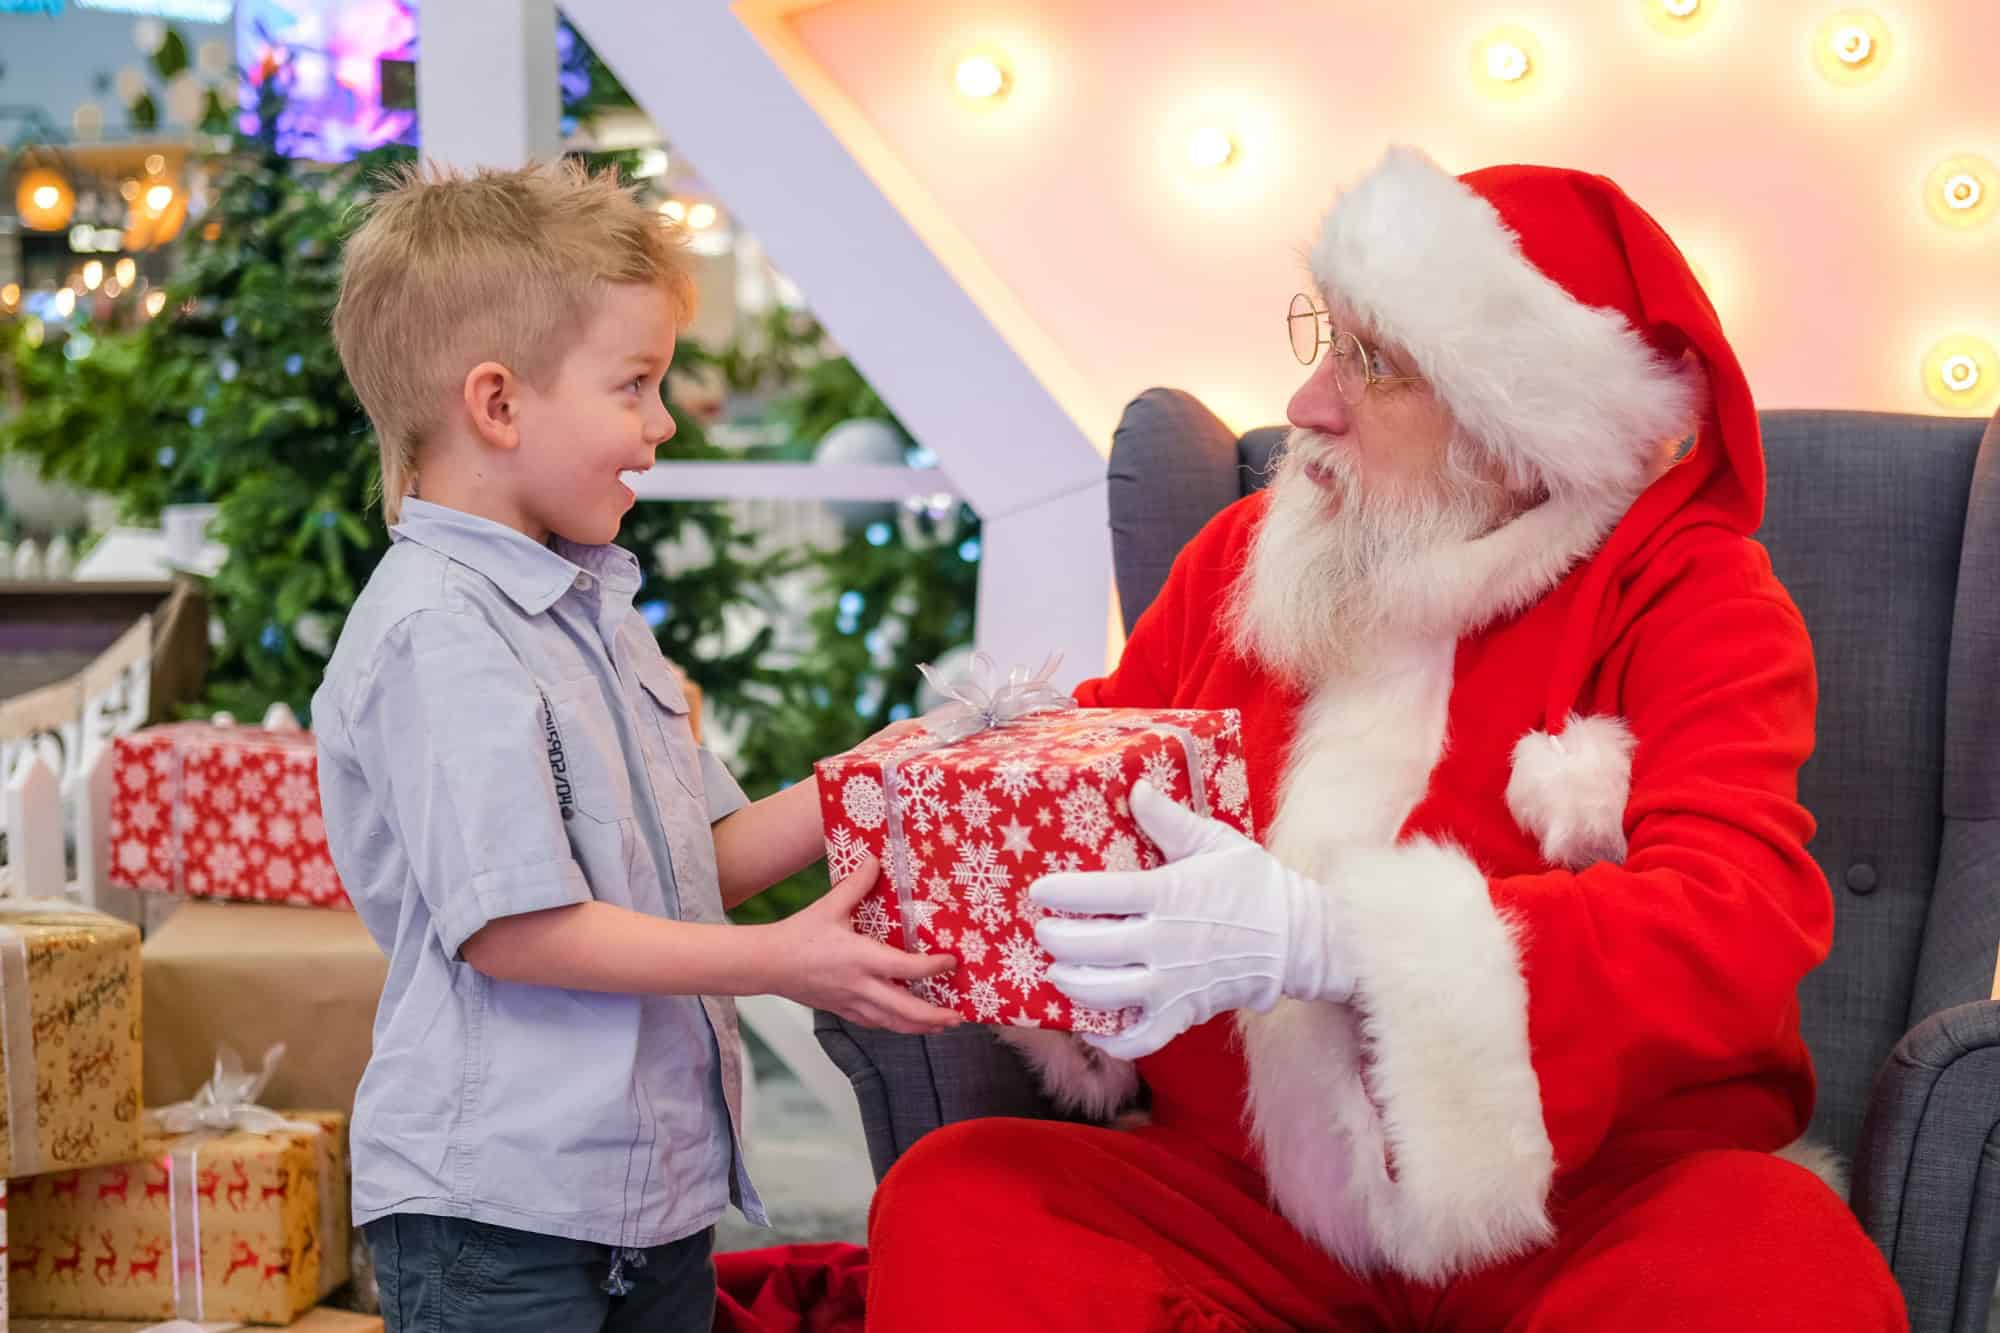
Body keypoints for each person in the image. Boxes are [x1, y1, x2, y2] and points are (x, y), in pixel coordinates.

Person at [865, 146, 1909, 1330]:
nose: (1307, 405)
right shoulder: (1249, 554)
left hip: (1584, 1197)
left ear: (1517, 429)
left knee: (1761, 1261)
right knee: (965, 1199)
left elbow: (1736, 922)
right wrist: (914, 859)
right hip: (1242, 1191)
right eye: (1325, 339)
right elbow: (1087, 767)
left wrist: (1332, 939)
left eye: (1377, 365)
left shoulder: (1693, 593)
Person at [312, 160, 958, 1333]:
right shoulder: (438, 634)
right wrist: (776, 962)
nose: (664, 424)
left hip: (644, 1197)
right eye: (635, 386)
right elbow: (515, 930)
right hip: (499, 1217)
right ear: (497, 404)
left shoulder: (595, 616)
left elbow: (689, 861)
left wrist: (884, 769)